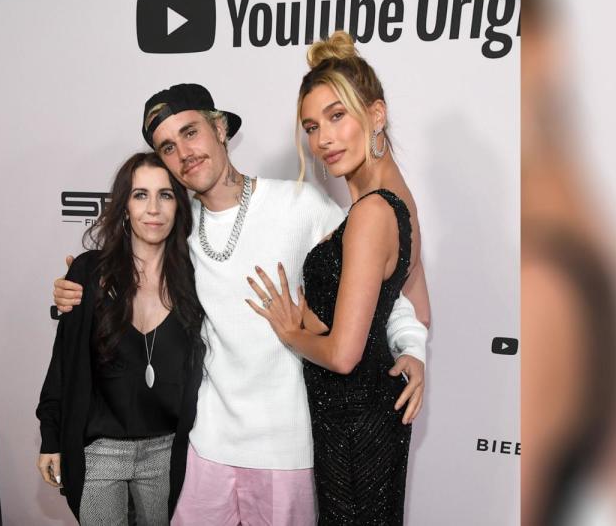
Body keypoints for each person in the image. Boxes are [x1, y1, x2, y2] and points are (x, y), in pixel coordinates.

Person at [51, 82, 429, 525]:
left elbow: (377, 285)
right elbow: (128, 276)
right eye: (167, 147)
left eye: (190, 133)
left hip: (285, 451)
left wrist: (410, 345)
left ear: (220, 129)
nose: (184, 153)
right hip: (206, 446)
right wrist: (78, 284)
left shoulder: (299, 203)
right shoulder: (177, 232)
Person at [244, 31, 426, 524]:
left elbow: (345, 356)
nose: (322, 138)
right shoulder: (399, 199)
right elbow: (412, 308)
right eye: (311, 125)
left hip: (351, 425)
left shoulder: (370, 213)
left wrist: (292, 330)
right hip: (367, 419)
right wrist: (413, 352)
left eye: (336, 116)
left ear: (376, 115)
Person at [35, 152, 205, 525]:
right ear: (124, 206)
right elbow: (65, 362)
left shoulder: (197, 279)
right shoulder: (89, 271)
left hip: (168, 451)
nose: (153, 208)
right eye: (140, 195)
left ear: (179, 206)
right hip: (100, 451)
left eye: (165, 195)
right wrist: (51, 436)